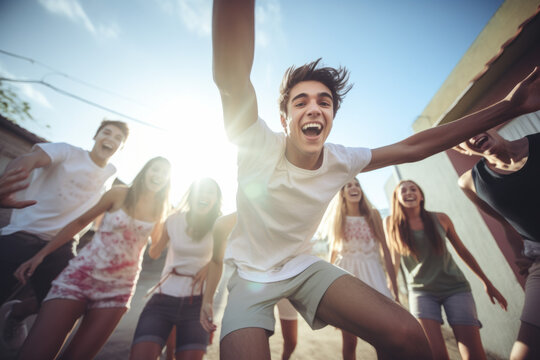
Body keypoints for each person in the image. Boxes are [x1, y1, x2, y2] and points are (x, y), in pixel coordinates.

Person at [211, 0, 540, 358]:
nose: (313, 108)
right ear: (284, 116)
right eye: (300, 101)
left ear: (332, 116)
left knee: (407, 335)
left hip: (300, 264)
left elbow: (413, 147)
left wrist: (511, 105)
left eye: (324, 102)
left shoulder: (341, 158)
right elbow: (232, 80)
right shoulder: (257, 144)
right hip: (249, 275)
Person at [13, 156, 171, 360]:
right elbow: (80, 221)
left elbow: (155, 252)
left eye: (164, 173)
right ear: (145, 171)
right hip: (79, 277)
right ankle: (16, 312)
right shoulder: (118, 194)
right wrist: (41, 254)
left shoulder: (161, 213)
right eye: (155, 169)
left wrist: (172, 232)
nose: (158, 175)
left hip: (118, 289)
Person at [0, 119, 128, 349]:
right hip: (24, 233)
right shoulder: (67, 151)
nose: (111, 139)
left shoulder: (110, 175)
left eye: (118, 138)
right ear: (95, 136)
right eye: (106, 133)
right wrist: (10, 181)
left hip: (61, 245)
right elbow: (28, 159)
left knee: (70, 302)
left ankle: (17, 312)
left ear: (122, 147)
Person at [385, 179, 507, 360]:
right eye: (403, 191)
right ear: (396, 197)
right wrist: (393, 294)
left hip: (455, 288)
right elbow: (393, 261)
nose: (409, 193)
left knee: (473, 354)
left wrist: (487, 282)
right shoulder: (390, 224)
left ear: (421, 196)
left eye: (413, 189)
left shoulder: (441, 218)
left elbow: (463, 251)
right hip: (421, 292)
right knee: (436, 355)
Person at [454, 129, 540, 360]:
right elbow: (506, 223)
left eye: (475, 129)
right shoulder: (470, 183)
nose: (472, 136)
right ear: (462, 149)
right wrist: (519, 255)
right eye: (464, 138)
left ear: (491, 124)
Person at [129, 178, 222, 360]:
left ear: (217, 199)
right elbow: (154, 252)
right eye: (200, 190)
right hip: (163, 298)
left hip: (197, 303)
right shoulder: (173, 220)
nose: (204, 195)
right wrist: (153, 224)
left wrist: (210, 264)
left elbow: (230, 255)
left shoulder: (220, 226)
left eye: (210, 191)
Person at [200, 213, 299, 360]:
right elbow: (216, 261)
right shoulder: (225, 223)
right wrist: (207, 300)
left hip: (284, 279)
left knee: (291, 341)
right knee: (249, 341)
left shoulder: (279, 213)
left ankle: (285, 357)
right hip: (253, 284)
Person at [328, 178, 399, 360]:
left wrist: (394, 285)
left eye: (357, 185)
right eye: (348, 185)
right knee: (349, 341)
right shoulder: (338, 218)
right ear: (342, 193)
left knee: (383, 338)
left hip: (373, 277)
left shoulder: (373, 215)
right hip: (345, 279)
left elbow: (386, 251)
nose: (354, 188)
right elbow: (332, 256)